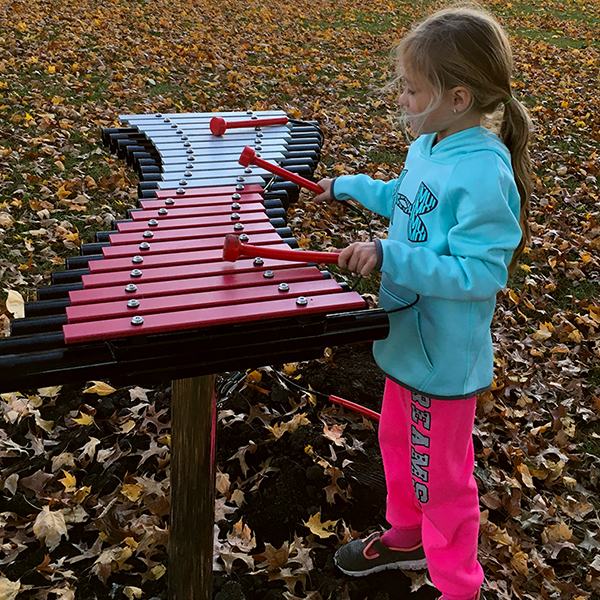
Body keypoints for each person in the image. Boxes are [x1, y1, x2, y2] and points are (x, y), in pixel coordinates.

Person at [313, 6, 533, 600]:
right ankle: (407, 535)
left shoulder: (484, 174)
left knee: (443, 478)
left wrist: (390, 257)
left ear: (458, 97)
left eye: (412, 90)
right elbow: (408, 201)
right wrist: (350, 187)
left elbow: (483, 272)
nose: (403, 99)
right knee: (396, 444)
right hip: (407, 338)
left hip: (444, 357)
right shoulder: (432, 144)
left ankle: (459, 586)